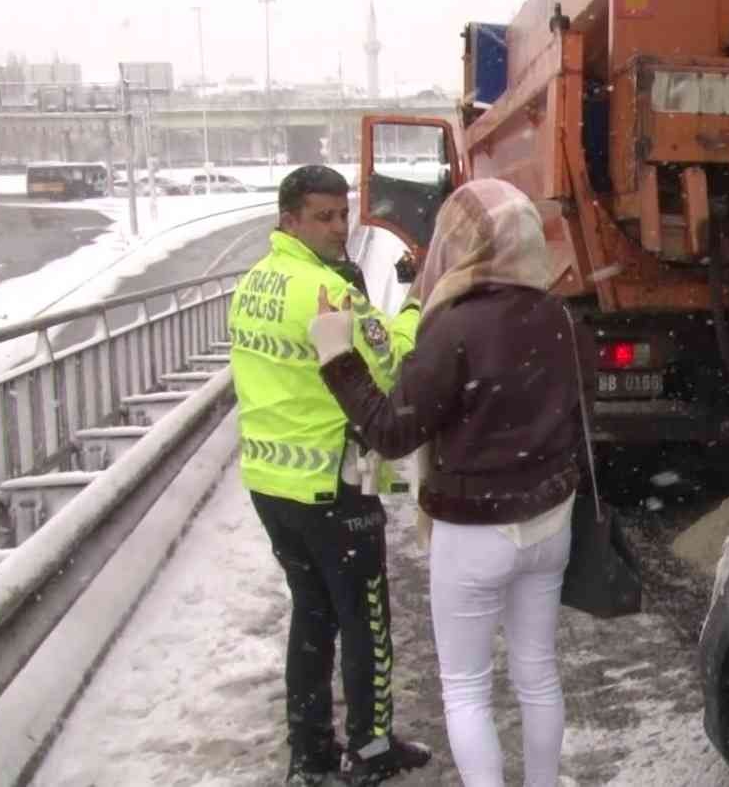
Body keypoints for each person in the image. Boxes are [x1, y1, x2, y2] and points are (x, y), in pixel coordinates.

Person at [307, 178, 591, 787]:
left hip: (474, 531)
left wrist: (337, 353)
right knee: (537, 673)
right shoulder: (557, 314)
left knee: (466, 690)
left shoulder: (455, 326)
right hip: (549, 522)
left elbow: (390, 432)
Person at [228, 165, 431, 787]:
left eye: (344, 214)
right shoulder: (325, 292)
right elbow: (392, 362)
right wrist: (418, 302)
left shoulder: (255, 282)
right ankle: (370, 750)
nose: (339, 227)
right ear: (288, 219)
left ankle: (310, 751)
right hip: (331, 486)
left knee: (312, 616)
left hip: (271, 485)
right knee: (365, 620)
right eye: (323, 216)